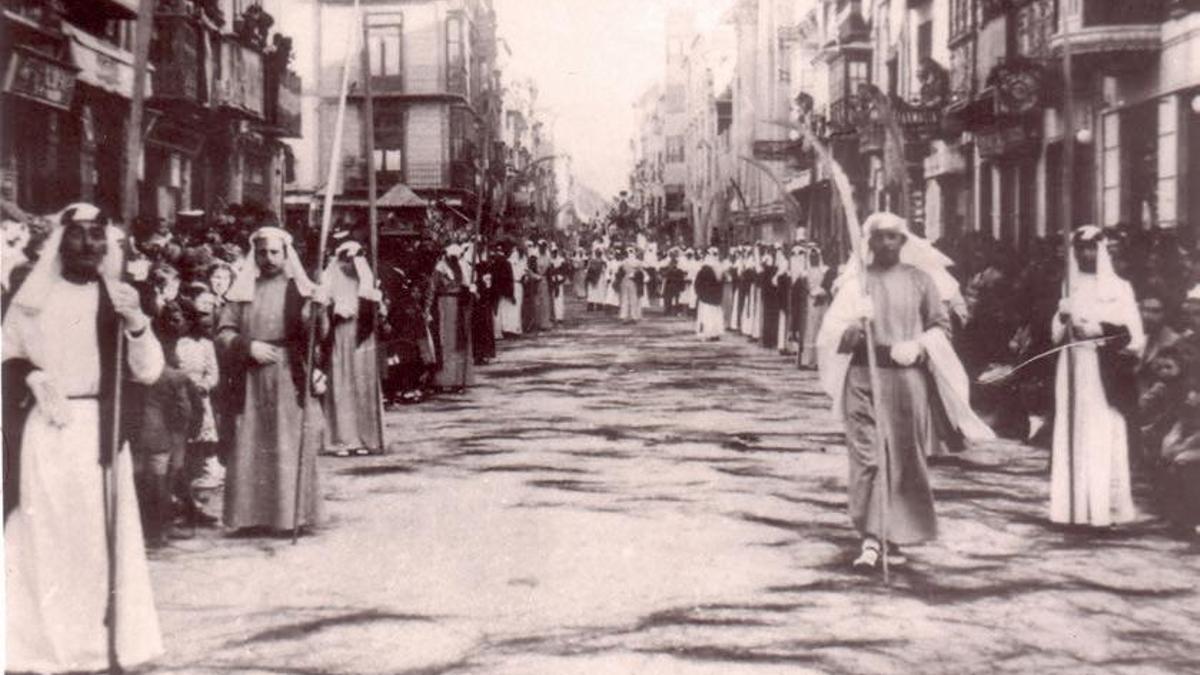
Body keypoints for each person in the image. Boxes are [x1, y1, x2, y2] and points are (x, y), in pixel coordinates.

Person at [3, 203, 165, 672]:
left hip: (101, 432)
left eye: (97, 235)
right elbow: (5, 355)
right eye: (78, 235)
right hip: (48, 429)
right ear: (60, 242)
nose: (88, 245)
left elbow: (149, 370)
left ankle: (105, 645)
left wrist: (137, 323)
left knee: (99, 538)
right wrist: (31, 376)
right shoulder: (32, 298)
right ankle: (47, 647)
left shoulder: (119, 296)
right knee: (49, 535)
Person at [817, 212, 992, 569]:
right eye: (879, 237)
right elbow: (831, 336)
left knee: (903, 457)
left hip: (907, 380)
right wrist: (853, 329)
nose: (886, 243)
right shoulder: (855, 284)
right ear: (869, 242)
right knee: (868, 457)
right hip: (864, 377)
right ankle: (871, 536)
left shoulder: (921, 280)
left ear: (903, 241)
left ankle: (892, 535)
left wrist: (920, 346)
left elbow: (941, 327)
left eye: (892, 236)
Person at [216, 226, 327, 534]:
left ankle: (289, 517)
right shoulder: (241, 292)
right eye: (262, 252)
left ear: (285, 254)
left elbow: (315, 335)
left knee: (287, 443)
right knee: (249, 442)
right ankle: (249, 517)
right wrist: (248, 346)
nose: (269, 258)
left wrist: (317, 311)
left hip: (287, 374)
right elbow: (223, 333)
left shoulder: (299, 289)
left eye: (275, 252)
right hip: (250, 378)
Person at [1050, 226, 1145, 528]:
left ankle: (1103, 510)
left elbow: (1135, 337)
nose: (1086, 254)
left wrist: (1100, 330)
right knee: (1073, 430)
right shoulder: (1070, 285)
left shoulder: (1120, 288)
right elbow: (1055, 336)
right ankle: (1072, 509)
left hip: (1103, 369)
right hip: (1072, 365)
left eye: (1091, 248)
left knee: (1102, 431)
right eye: (1080, 248)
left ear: (1101, 251)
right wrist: (1062, 317)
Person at [320, 241, 384, 456]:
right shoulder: (330, 275)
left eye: (355, 260)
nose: (350, 264)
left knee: (362, 383)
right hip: (340, 334)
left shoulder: (366, 278)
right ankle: (342, 439)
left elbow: (375, 308)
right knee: (342, 383)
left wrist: (376, 304)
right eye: (346, 259)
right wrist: (334, 311)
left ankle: (366, 437)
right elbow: (322, 305)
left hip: (362, 337)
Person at [432, 243, 475, 391]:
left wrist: (470, 289)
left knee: (459, 341)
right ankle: (445, 379)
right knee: (447, 340)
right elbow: (434, 287)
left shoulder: (461, 266)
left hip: (459, 305)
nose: (454, 259)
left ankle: (459, 378)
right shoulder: (440, 267)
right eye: (452, 257)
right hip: (445, 304)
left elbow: (465, 283)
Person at [695, 247, 724, 340]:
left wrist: (700, 293)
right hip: (712, 297)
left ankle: (710, 334)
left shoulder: (706, 268)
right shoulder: (716, 268)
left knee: (708, 316)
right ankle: (712, 334)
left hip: (708, 297)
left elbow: (698, 283)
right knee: (712, 315)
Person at [617, 247, 643, 323]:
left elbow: (641, 272)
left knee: (632, 298)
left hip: (633, 281)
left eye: (631, 252)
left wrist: (635, 275)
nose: (630, 254)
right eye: (629, 252)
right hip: (626, 280)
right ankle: (625, 315)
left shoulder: (637, 262)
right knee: (625, 298)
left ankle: (633, 316)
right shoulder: (624, 262)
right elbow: (620, 271)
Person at [585, 247, 607, 311]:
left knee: (595, 292)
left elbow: (588, 269)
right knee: (596, 291)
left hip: (597, 278)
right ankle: (595, 305)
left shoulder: (598, 261)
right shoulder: (598, 261)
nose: (598, 254)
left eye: (599, 253)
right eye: (598, 253)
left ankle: (594, 305)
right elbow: (589, 269)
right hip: (596, 278)